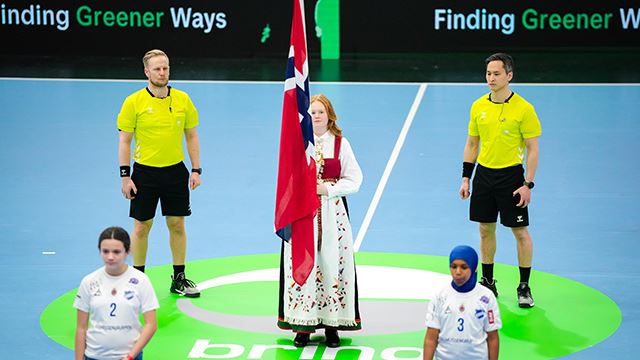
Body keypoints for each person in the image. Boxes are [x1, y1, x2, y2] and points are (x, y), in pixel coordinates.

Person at [277, 94, 363, 348]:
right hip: (302, 213)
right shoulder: (297, 144)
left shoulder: (340, 144)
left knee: (331, 263)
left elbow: (355, 179)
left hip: (332, 212)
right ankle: (303, 325)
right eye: (311, 112)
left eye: (320, 112)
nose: (315, 116)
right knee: (303, 262)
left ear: (329, 115)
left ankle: (331, 326)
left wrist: (328, 190)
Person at [459, 53, 542, 308]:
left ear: (509, 75)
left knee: (520, 232)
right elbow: (472, 144)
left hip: (511, 177)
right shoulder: (478, 106)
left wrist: (527, 184)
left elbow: (533, 149)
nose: (491, 78)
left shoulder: (524, 108)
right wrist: (466, 178)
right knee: (485, 229)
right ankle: (488, 281)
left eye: (496, 74)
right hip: (484, 175)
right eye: (488, 74)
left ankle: (524, 286)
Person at [117, 49, 202, 297]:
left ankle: (179, 279)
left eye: (165, 68)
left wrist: (196, 169)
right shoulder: (133, 102)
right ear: (147, 72)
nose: (162, 72)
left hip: (175, 172)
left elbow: (192, 135)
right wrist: (125, 176)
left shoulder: (183, 99)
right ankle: (138, 281)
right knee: (142, 227)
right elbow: (125, 141)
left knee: (177, 224)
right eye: (157, 68)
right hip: (144, 173)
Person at [74, 226, 159, 360]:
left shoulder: (141, 280)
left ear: (127, 252)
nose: (110, 257)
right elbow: (81, 328)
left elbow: (151, 324)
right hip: (94, 356)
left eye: (116, 252)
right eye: (105, 251)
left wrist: (130, 356)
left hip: (129, 357)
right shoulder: (89, 281)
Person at [423, 245, 501, 360]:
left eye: (464, 267)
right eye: (453, 267)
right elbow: (431, 339)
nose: (458, 272)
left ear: (474, 267)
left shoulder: (487, 297)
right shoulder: (440, 297)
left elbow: (493, 338)